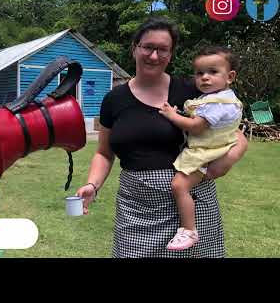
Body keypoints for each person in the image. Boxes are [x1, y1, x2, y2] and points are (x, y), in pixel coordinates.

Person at [76, 17, 248, 258]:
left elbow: (234, 133)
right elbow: (104, 153)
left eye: (163, 49)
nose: (154, 56)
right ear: (134, 47)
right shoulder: (114, 100)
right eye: (147, 47)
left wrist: (227, 161)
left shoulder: (193, 91)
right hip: (136, 207)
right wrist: (92, 185)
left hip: (191, 209)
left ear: (171, 54)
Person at [159, 47, 243, 251]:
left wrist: (172, 115)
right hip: (213, 149)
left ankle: (189, 230)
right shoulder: (222, 98)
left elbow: (197, 126)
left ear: (230, 76)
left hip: (204, 152)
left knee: (179, 186)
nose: (205, 78)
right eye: (199, 73)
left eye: (213, 72)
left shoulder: (216, 102)